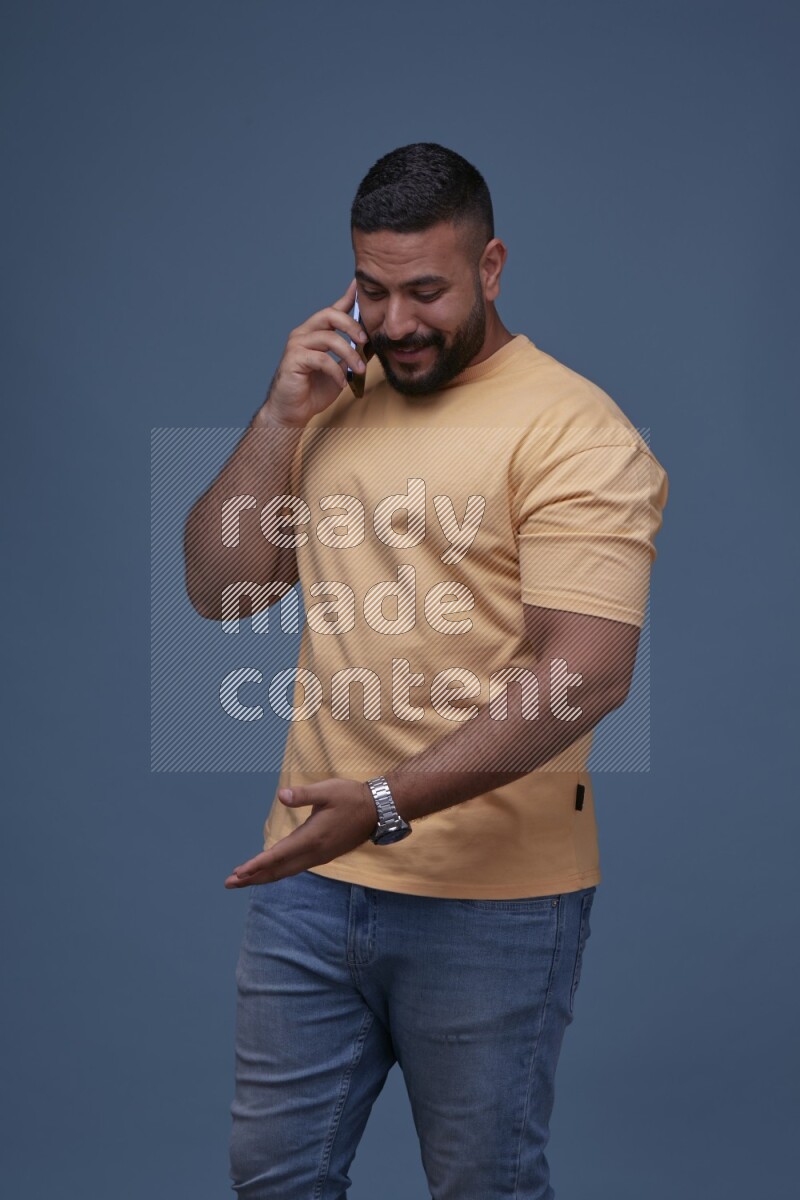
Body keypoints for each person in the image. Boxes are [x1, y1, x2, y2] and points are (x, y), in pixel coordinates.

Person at [184, 142, 669, 1200]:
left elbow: (583, 677)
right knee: (273, 1183)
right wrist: (276, 418)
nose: (395, 322)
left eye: (425, 292)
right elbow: (221, 590)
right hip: (309, 882)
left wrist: (382, 802)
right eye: (371, 290)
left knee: (481, 1189)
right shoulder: (332, 400)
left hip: (492, 902)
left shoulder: (574, 432)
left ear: (489, 267)